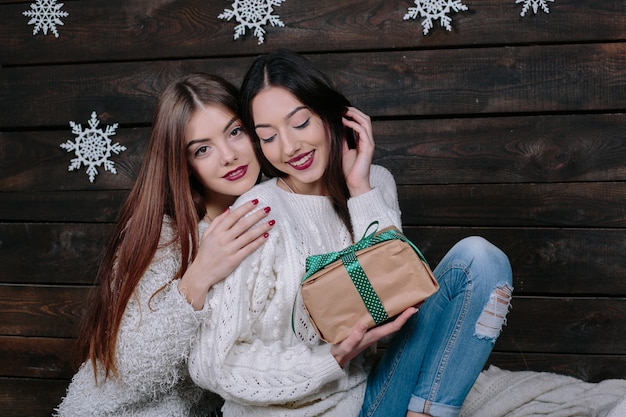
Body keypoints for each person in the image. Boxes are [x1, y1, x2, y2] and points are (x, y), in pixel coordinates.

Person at [188, 50, 513, 417]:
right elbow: (212, 364)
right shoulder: (256, 214)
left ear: (329, 113)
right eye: (268, 137)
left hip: (369, 399)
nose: (290, 147)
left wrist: (360, 190)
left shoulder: (373, 184)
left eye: (300, 123)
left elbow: (399, 311)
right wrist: (329, 359)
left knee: (481, 260)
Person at [55, 73, 275, 416]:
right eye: (203, 149)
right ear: (183, 164)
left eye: (235, 132)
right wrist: (199, 276)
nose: (229, 156)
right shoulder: (161, 233)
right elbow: (132, 370)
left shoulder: (269, 210)